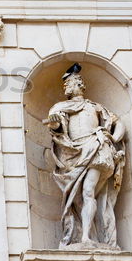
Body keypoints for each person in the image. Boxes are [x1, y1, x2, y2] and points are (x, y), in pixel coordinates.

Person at [45, 64, 126, 248]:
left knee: (89, 191)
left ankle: (87, 238)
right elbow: (56, 129)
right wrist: (55, 124)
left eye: (68, 84)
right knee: (77, 198)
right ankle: (82, 234)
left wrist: (113, 137)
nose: (65, 88)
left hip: (95, 148)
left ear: (78, 84)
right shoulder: (60, 107)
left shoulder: (95, 107)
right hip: (73, 154)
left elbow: (118, 123)